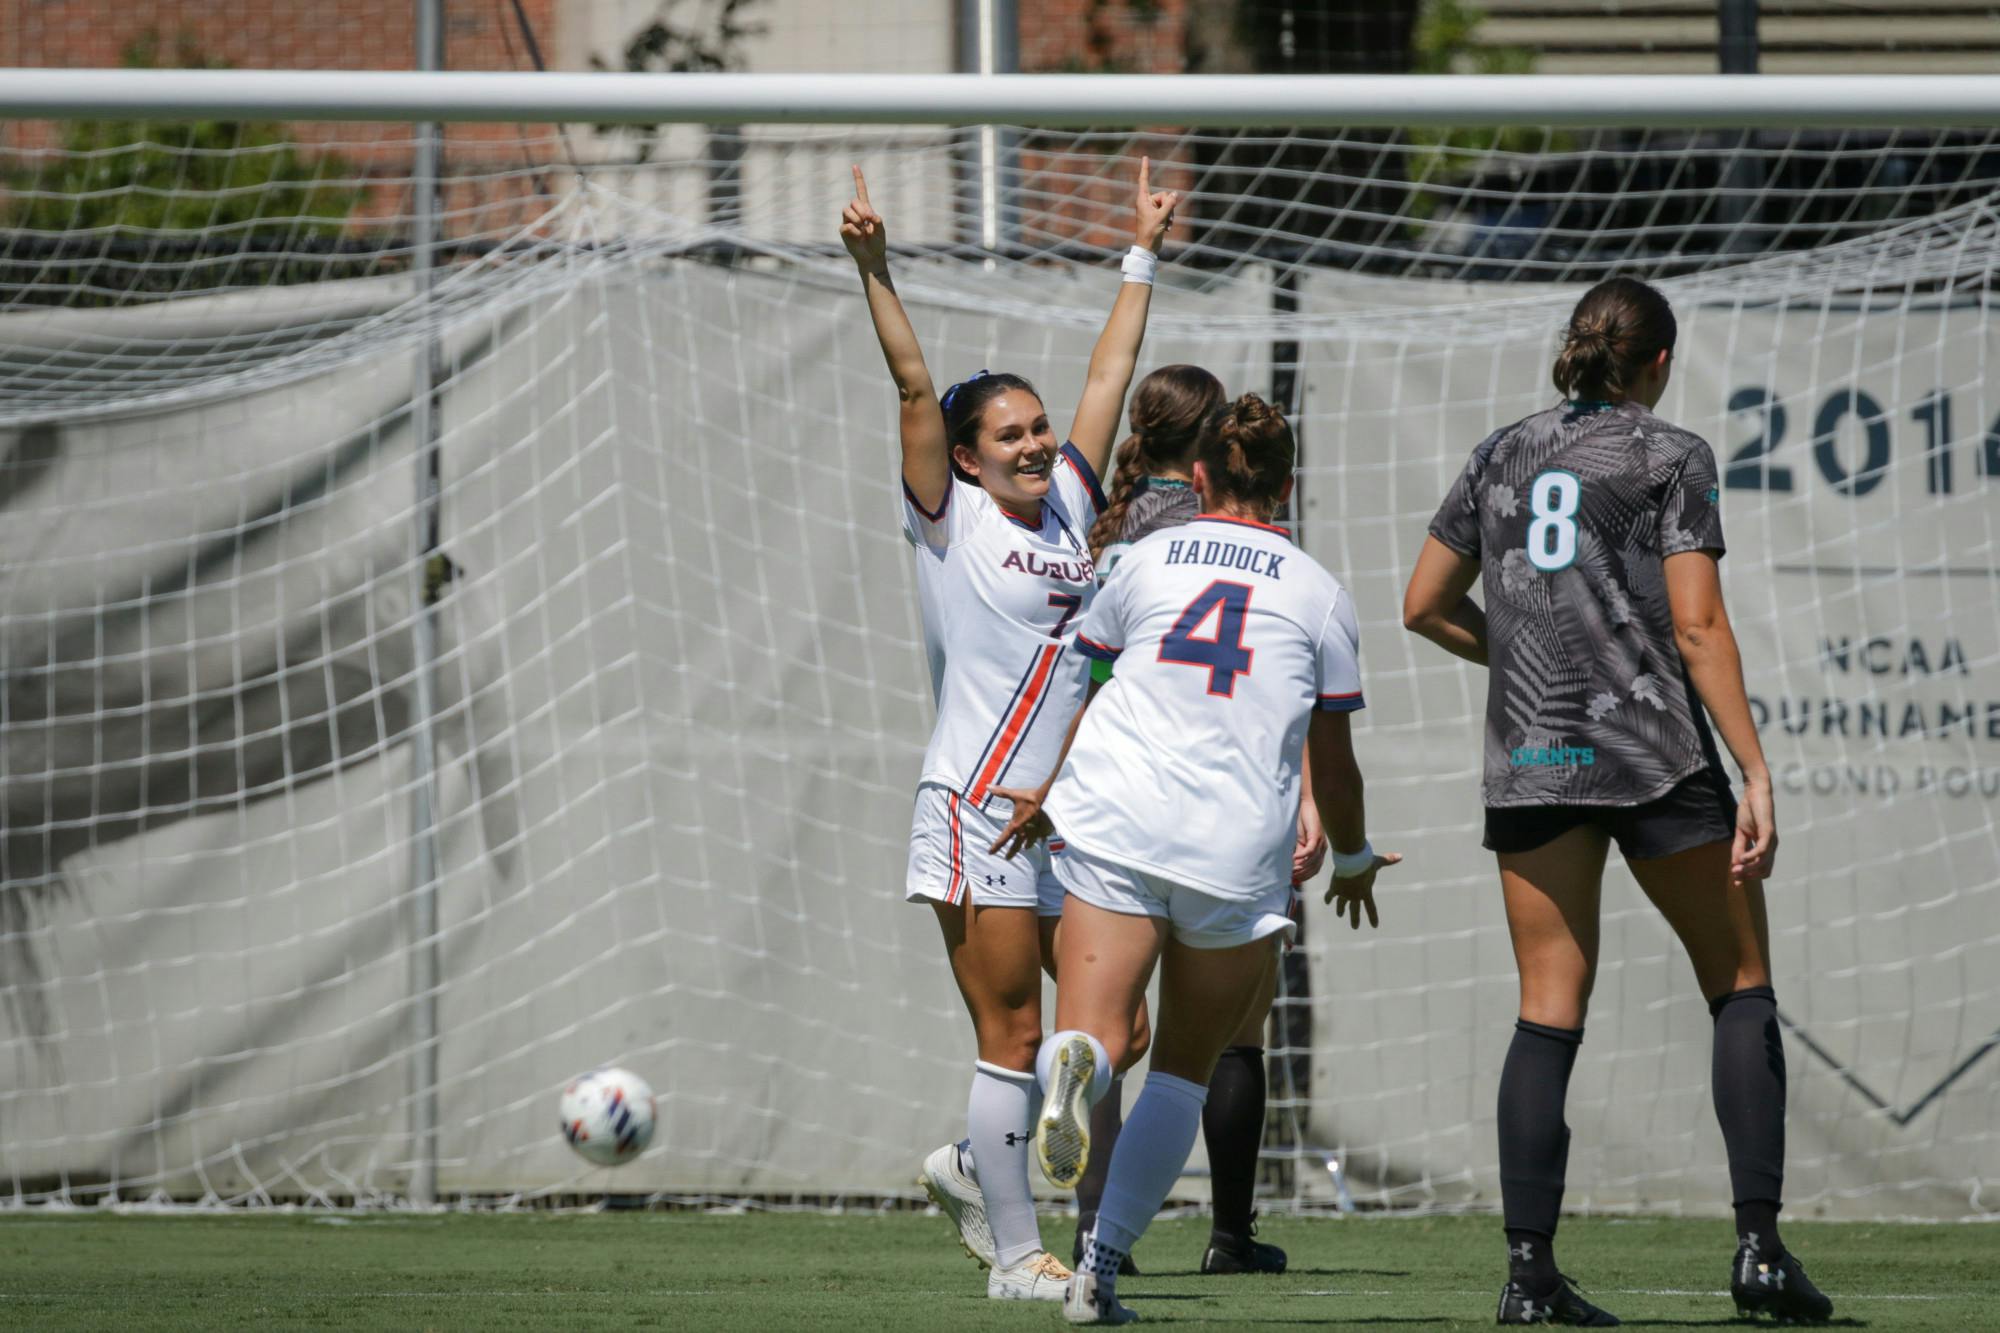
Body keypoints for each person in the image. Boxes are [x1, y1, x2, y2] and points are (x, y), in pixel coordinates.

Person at [1401, 276, 1832, 1326]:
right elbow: (1694, 628)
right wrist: (1755, 768)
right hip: (1651, 753)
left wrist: (1522, 664)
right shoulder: (1670, 454)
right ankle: (1757, 1251)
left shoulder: (1499, 450)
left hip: (1533, 758)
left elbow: (1420, 605)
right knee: (1737, 981)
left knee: (1546, 1002)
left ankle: (1526, 1275)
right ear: (1659, 362)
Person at [840, 159, 1178, 1302]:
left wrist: (1140, 250)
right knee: (1016, 1033)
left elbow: (1109, 370)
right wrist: (876, 270)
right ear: (967, 454)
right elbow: (910, 382)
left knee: (1111, 1029)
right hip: (981, 808)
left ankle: (1082, 1247)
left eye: (1038, 429)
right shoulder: (951, 522)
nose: (1035, 444)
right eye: (1011, 434)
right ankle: (1017, 1255)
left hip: (1072, 812)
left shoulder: (1076, 502)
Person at [990, 393, 1398, 1325]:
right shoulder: (1319, 592)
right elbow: (1333, 765)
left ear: (1201, 475)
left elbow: (1079, 682)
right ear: (1287, 484)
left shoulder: (1138, 559)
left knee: (1101, 1040)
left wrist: (1044, 787)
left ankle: (1074, 1061)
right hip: (1232, 849)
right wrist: (1355, 856)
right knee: (1182, 1069)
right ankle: (1098, 1275)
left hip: (1117, 818)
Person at [1075, 365, 1322, 1277]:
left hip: (1106, 801)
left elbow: (1088, 671)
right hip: (1222, 812)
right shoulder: (1226, 545)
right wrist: (1312, 806)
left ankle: (1082, 1219)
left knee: (1104, 1033)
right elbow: (1269, 690)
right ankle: (1225, 1231)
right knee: (1214, 1040)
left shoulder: (1114, 524)